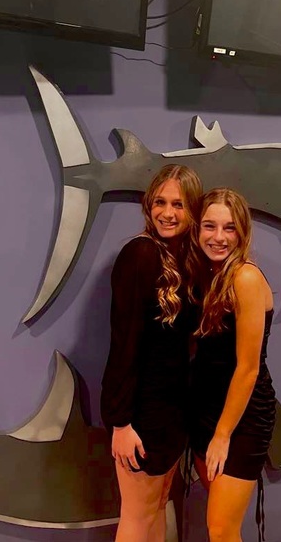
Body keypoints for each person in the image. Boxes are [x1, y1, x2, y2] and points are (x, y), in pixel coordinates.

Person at [100, 164, 202, 542]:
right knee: (137, 516)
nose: (167, 213)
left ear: (193, 210)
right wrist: (121, 423)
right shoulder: (140, 254)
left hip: (172, 412)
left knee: (159, 506)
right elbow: (123, 342)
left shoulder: (186, 260)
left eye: (178, 204)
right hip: (141, 416)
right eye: (160, 202)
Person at [188, 188, 276, 542]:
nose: (219, 237)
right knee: (220, 522)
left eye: (229, 228)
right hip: (206, 410)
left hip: (242, 419)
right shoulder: (208, 274)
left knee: (222, 529)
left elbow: (248, 368)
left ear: (242, 232)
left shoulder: (245, 278)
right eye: (210, 226)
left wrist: (223, 435)